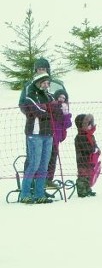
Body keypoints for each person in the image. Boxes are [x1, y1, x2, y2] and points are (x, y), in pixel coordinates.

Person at [18, 57, 69, 190]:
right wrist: (34, 113)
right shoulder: (30, 85)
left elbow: (59, 100)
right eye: (39, 69)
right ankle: (30, 185)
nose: (41, 71)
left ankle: (47, 180)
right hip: (36, 126)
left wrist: (60, 111)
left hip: (53, 126)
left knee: (51, 154)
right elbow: (24, 103)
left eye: (44, 69)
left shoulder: (53, 84)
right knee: (34, 157)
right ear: (35, 71)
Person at [19, 73, 60, 204]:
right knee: (34, 164)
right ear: (38, 82)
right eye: (44, 82)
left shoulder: (49, 96)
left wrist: (50, 109)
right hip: (35, 134)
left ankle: (39, 193)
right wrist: (49, 110)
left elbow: (58, 112)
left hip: (48, 134)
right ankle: (25, 193)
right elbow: (37, 111)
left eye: (48, 83)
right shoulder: (30, 96)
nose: (46, 85)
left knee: (44, 165)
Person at [47, 89, 72, 185]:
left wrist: (66, 113)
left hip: (57, 139)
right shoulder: (52, 106)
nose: (61, 99)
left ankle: (49, 179)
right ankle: (43, 180)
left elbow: (67, 124)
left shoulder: (63, 108)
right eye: (60, 97)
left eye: (64, 98)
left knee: (53, 159)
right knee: (48, 159)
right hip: (50, 137)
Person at [74, 113, 100, 197]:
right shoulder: (80, 137)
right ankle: (81, 191)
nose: (91, 126)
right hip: (82, 160)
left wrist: (97, 150)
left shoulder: (90, 135)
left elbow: (94, 144)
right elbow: (86, 148)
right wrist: (93, 150)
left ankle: (88, 189)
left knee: (89, 175)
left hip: (90, 160)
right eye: (89, 124)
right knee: (83, 175)